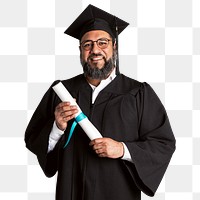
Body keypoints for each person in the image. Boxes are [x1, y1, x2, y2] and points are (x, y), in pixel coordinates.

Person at [25, 4, 176, 200]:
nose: (95, 50)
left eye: (102, 42)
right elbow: (33, 139)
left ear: (114, 46)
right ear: (80, 50)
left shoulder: (138, 93)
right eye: (87, 44)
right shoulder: (62, 91)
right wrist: (57, 127)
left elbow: (163, 143)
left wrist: (122, 149)